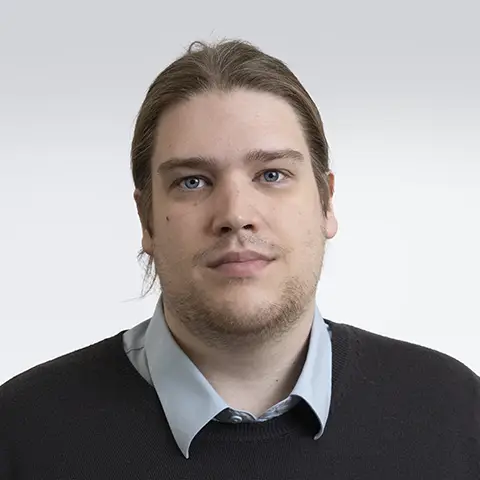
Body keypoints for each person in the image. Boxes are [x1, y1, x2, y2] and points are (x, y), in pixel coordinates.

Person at [1, 39, 479, 479]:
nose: (235, 215)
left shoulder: (455, 412)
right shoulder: (21, 434)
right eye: (192, 181)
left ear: (326, 203)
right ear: (146, 221)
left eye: (271, 174)